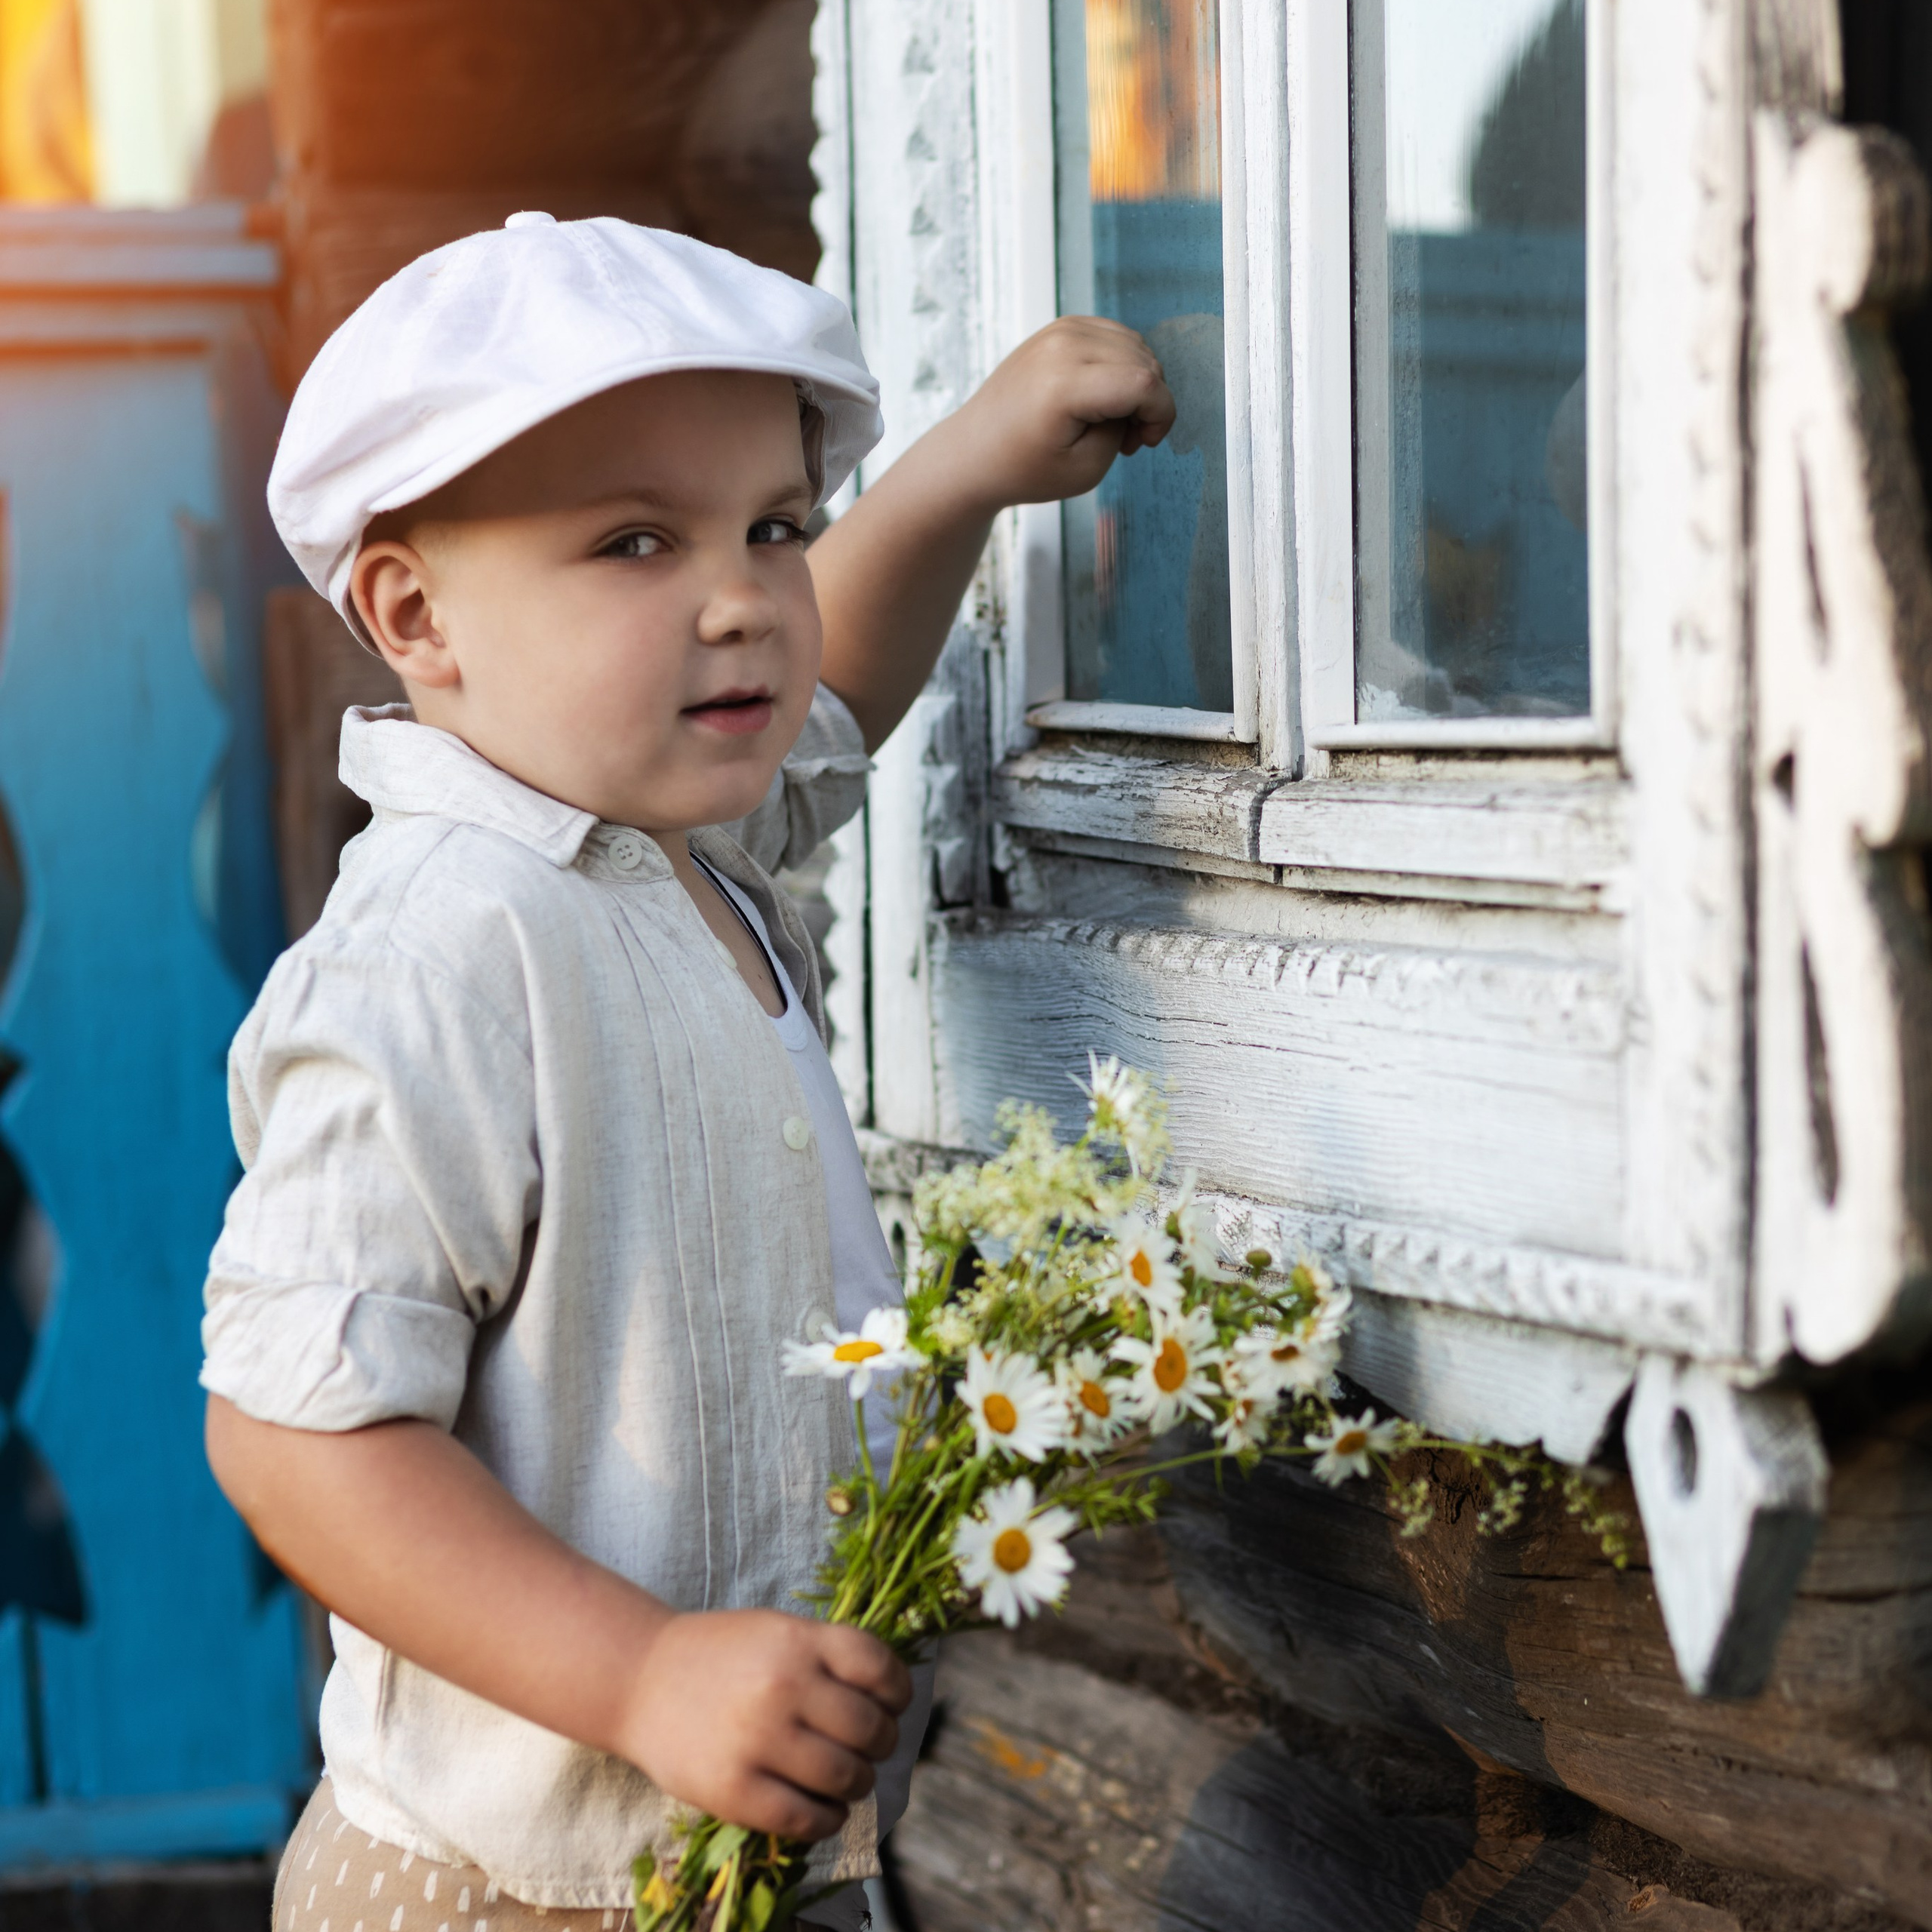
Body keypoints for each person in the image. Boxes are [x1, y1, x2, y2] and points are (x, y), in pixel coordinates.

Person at [201, 213, 1173, 1932]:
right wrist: (641, 1671)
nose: (741, 596)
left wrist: (957, 474)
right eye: (635, 539)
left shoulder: (665, 843)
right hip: (510, 1887)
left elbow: (826, 702)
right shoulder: (442, 947)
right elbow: (297, 1434)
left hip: (723, 1859)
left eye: (773, 525)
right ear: (415, 614)